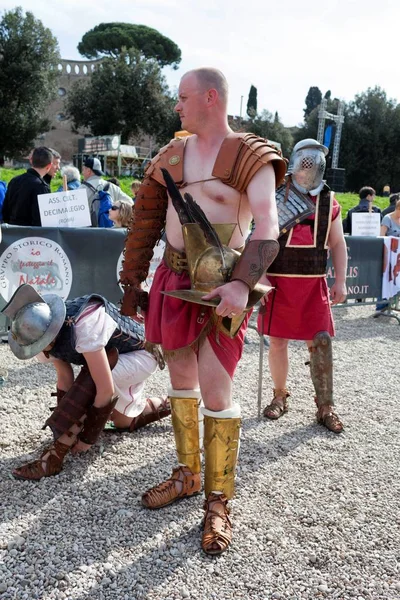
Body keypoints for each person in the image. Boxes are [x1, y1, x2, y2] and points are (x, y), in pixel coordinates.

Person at [120, 67, 286, 555]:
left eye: (184, 97)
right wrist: (133, 279)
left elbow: (268, 226)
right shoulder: (173, 154)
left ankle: (219, 500)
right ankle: (188, 474)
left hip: (222, 286)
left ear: (211, 98)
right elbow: (148, 219)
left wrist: (241, 284)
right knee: (181, 385)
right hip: (173, 280)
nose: (177, 106)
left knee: (217, 389)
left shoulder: (249, 154)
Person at [2, 284, 170, 481]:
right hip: (115, 357)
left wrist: (87, 436)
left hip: (142, 353)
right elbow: (65, 378)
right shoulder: (39, 335)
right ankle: (175, 403)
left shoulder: (84, 324)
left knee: (91, 381)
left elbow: (105, 390)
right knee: (123, 422)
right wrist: (64, 427)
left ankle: (54, 457)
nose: (41, 348)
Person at [257, 139, 347, 433]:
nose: (308, 167)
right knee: (278, 343)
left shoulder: (329, 202)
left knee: (320, 341)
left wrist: (341, 281)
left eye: (313, 162)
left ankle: (325, 405)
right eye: (304, 161)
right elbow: (259, 238)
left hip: (313, 284)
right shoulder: (275, 197)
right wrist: (259, 275)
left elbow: (337, 244)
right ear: (295, 162)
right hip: (279, 282)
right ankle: (280, 395)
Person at [2, 147, 53, 226]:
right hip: (31, 235)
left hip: (12, 232)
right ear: (49, 165)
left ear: (31, 160)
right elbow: (41, 220)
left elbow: (5, 211)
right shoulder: (41, 187)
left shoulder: (14, 180)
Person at [80, 157, 132, 226]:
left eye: (83, 169)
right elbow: (130, 203)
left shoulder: (81, 189)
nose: (82, 172)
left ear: (89, 170)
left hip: (88, 233)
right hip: (109, 232)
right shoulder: (112, 187)